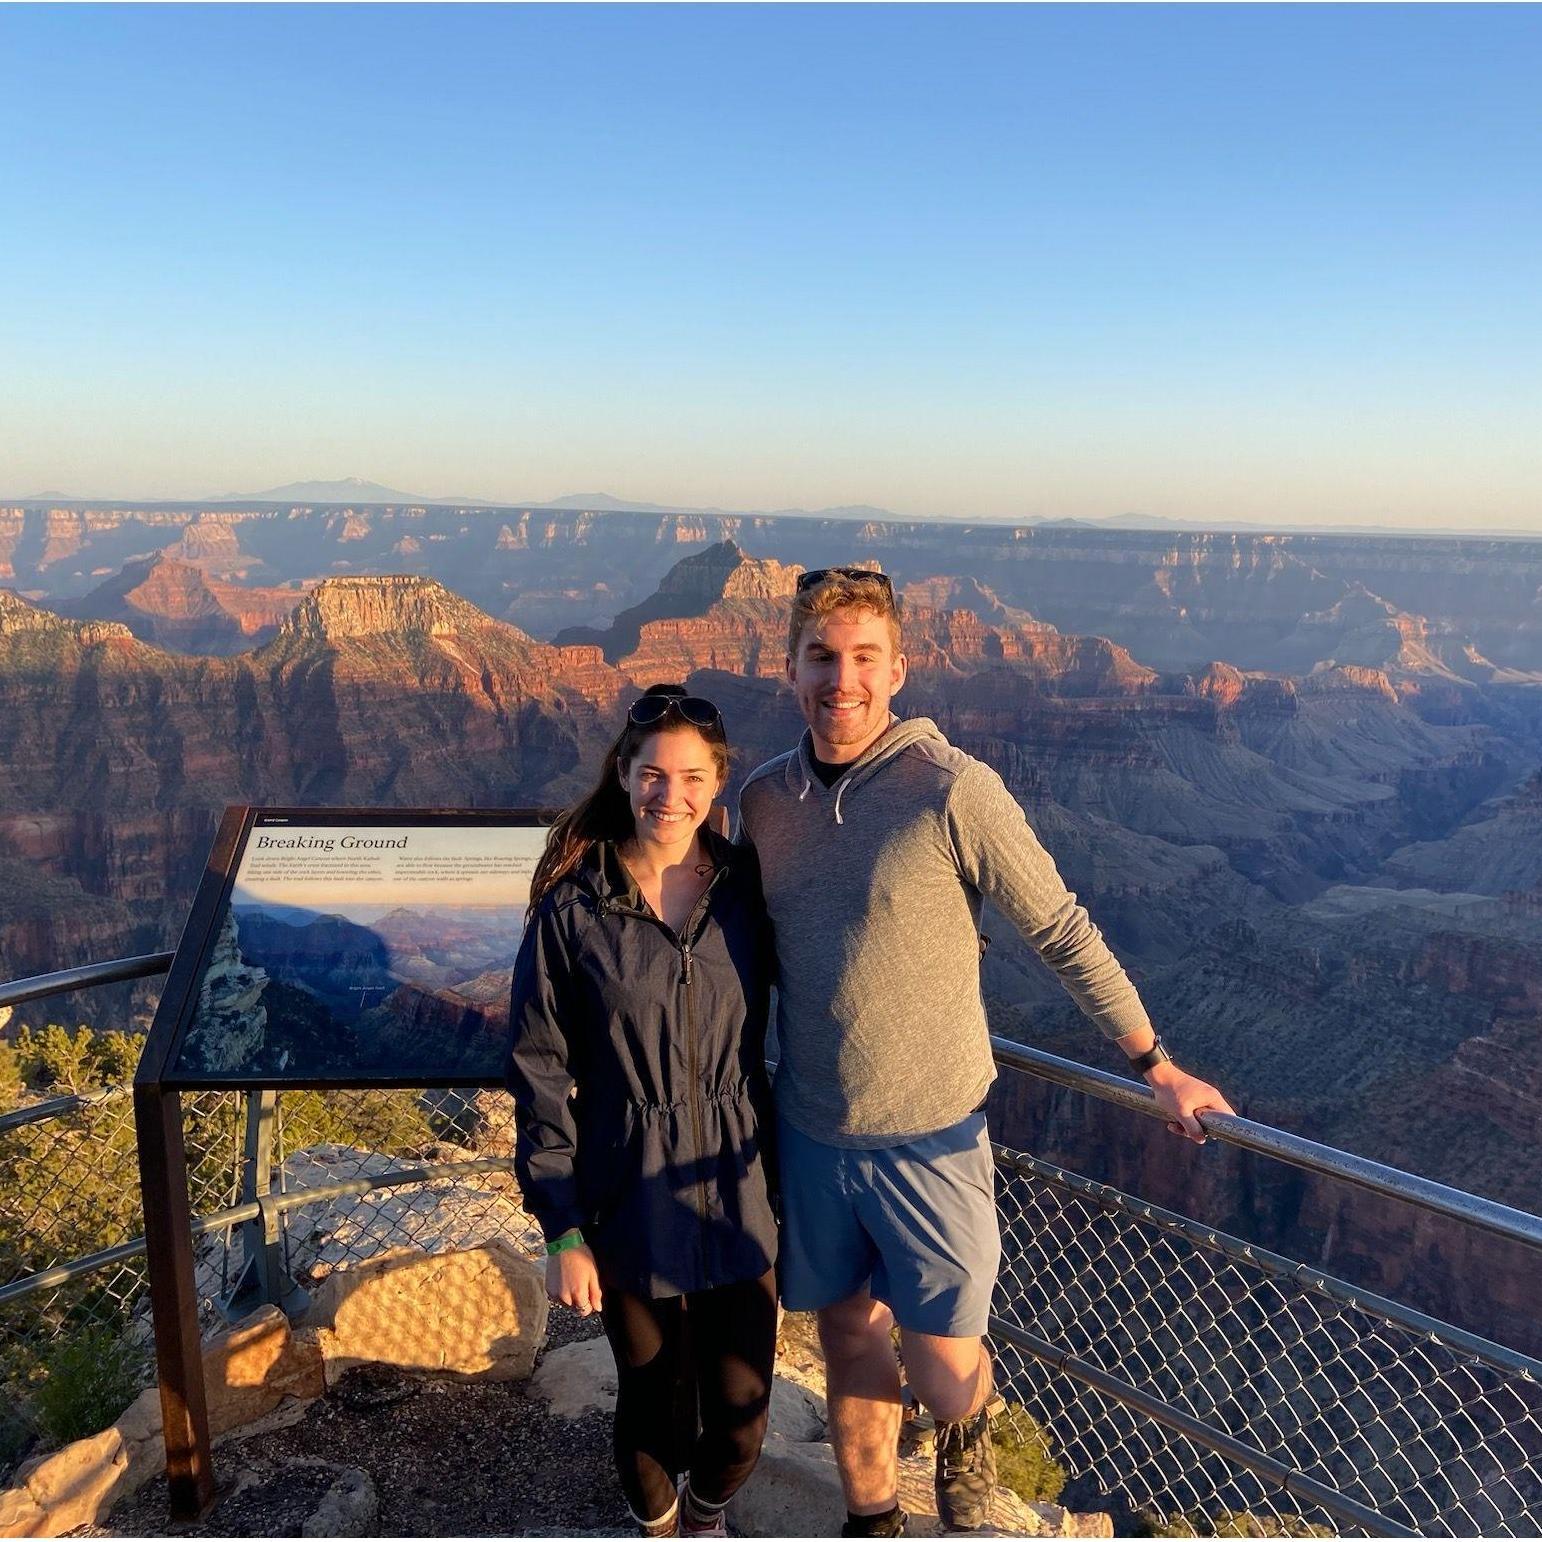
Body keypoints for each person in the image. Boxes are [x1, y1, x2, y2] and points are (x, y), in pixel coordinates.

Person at [737, 567, 1236, 1536]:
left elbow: (1061, 930)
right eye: (822, 659)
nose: (842, 680)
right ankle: (873, 1514)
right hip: (810, 1128)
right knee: (845, 1333)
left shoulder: (953, 790)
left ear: (899, 670)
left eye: (864, 660)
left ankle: (964, 1431)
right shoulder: (762, 802)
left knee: (942, 1368)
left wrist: (1155, 1064)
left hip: (930, 1141)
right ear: (790, 669)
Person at [507, 685, 778, 1538]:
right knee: (653, 1403)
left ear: (718, 785)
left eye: (692, 777)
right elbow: (539, 1067)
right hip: (625, 1182)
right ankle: (662, 1527)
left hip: (739, 1181)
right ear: (623, 775)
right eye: (652, 773)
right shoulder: (574, 907)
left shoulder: (744, 890)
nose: (671, 795)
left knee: (741, 1414)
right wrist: (561, 1229)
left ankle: (705, 1512)